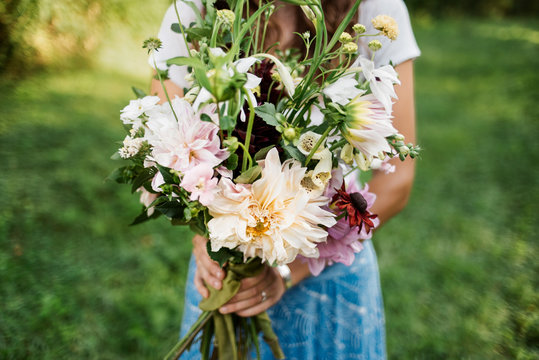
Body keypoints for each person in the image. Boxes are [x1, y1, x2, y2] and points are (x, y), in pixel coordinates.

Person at [150, 0, 420, 358]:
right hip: (222, 269)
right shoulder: (195, 10)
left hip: (328, 274)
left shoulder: (377, 10)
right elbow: (163, 140)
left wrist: (287, 270)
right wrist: (206, 241)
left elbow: (397, 180)